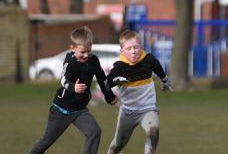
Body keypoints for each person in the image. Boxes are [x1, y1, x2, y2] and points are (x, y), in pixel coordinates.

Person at [26, 26, 116, 154]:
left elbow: (102, 79)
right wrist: (73, 87)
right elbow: (63, 80)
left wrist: (109, 96)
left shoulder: (94, 61)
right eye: (82, 52)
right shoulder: (69, 62)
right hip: (61, 110)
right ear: (72, 48)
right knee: (46, 141)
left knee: (94, 131)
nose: (86, 55)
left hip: (80, 111)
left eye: (89, 51)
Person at [104, 30, 172, 154]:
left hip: (148, 110)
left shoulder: (149, 60)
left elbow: (157, 66)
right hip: (128, 112)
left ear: (141, 47)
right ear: (122, 51)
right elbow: (107, 81)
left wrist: (164, 79)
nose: (133, 51)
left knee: (153, 131)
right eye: (128, 48)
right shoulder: (120, 66)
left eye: (136, 47)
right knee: (118, 145)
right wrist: (115, 81)